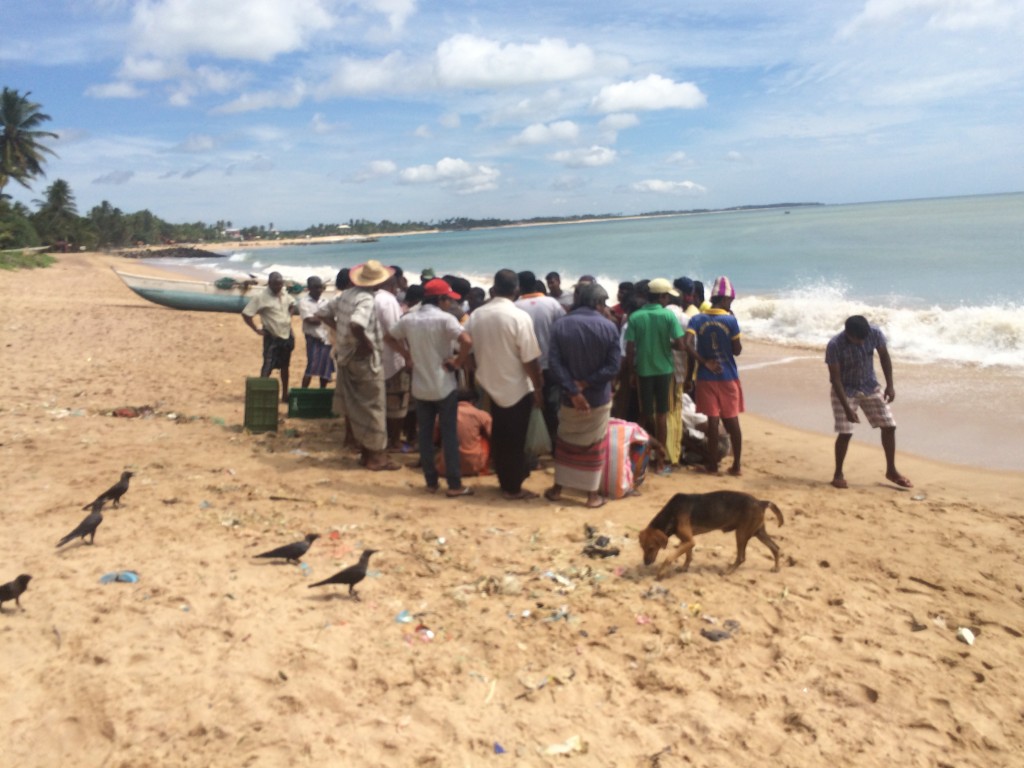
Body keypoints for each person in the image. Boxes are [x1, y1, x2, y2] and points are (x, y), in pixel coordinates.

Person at [387, 278, 473, 496]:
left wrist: (407, 356)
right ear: (441, 299)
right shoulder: (445, 319)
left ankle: (431, 482)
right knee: (448, 435)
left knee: (424, 435)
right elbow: (467, 341)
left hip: (421, 385)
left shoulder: (410, 319)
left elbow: (388, 337)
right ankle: (454, 484)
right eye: (448, 300)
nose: (449, 304)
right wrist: (458, 362)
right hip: (444, 384)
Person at [466, 269, 544, 500]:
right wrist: (538, 387)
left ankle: (506, 482)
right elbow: (529, 358)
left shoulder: (476, 316)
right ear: (516, 290)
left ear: (494, 289)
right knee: (515, 439)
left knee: (499, 436)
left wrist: (478, 369)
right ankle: (513, 488)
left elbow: (466, 349)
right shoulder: (518, 317)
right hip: (516, 387)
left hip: (487, 385)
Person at [544, 282, 621, 508]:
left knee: (565, 441)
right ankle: (591, 495)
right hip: (598, 396)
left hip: (569, 397)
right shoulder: (608, 327)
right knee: (595, 443)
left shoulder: (561, 325)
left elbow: (554, 364)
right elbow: (613, 366)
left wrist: (574, 390)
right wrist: (586, 383)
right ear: (597, 303)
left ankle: (558, 489)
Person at [317, 260, 398, 471]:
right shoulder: (366, 299)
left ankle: (366, 454)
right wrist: (366, 343)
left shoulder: (346, 294)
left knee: (357, 407)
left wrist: (341, 333)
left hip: (346, 357)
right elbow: (357, 324)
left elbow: (322, 313)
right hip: (364, 361)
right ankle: (377, 457)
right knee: (374, 408)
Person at [826, 315, 913, 489]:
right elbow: (835, 379)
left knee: (889, 426)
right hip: (844, 389)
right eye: (856, 339)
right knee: (845, 432)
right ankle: (838, 474)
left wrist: (890, 385)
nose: (861, 342)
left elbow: (884, 358)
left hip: (869, 385)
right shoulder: (835, 345)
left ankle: (891, 471)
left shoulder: (874, 333)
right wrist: (847, 409)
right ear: (848, 333)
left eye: (863, 339)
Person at [623, 278, 686, 472]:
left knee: (644, 414)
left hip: (643, 370)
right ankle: (660, 462)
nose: (668, 300)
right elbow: (681, 345)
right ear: (662, 296)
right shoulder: (668, 316)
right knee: (661, 415)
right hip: (665, 371)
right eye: (667, 296)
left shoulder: (635, 317)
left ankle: (639, 454)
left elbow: (630, 350)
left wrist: (631, 373)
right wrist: (667, 344)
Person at [685, 276, 744, 476]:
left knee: (712, 421)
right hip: (727, 375)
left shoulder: (698, 318)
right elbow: (737, 351)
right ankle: (736, 465)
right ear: (726, 300)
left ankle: (712, 465)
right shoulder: (730, 320)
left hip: (705, 375)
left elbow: (687, 343)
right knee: (732, 420)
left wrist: (704, 361)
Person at [516, 270, 566, 444]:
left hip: (525, 366)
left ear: (519, 286)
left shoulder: (515, 306)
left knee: (529, 406)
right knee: (553, 406)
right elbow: (563, 330)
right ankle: (554, 444)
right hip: (551, 363)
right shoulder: (551, 303)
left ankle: (533, 446)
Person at [241, 271, 297, 402]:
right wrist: (256, 329)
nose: (278, 287)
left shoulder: (284, 293)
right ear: (270, 283)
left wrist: (289, 316)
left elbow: (292, 303)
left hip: (286, 334)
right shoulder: (261, 297)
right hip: (272, 336)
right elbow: (246, 314)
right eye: (276, 285)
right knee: (267, 366)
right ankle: (262, 394)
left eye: (280, 284)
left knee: (285, 366)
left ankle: (284, 395)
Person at [375, 271, 410, 451]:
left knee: (380, 402)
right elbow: (393, 332)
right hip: (391, 358)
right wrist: (405, 354)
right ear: (393, 286)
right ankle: (394, 441)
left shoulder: (370, 298)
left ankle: (384, 439)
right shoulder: (388, 301)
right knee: (397, 402)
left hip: (376, 357)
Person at [435, 391, 493, 479]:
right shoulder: (481, 414)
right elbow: (494, 436)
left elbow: (433, 438)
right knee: (485, 436)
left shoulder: (442, 415)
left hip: (446, 467)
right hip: (474, 466)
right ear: (473, 401)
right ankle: (484, 467)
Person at [297, 276, 334, 389]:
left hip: (327, 339)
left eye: (321, 287)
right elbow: (310, 320)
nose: (319, 290)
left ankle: (322, 391)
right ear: (309, 288)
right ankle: (303, 392)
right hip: (314, 339)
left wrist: (320, 317)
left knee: (326, 369)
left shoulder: (326, 301)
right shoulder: (304, 302)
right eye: (316, 288)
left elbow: (330, 317)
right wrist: (325, 318)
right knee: (311, 367)